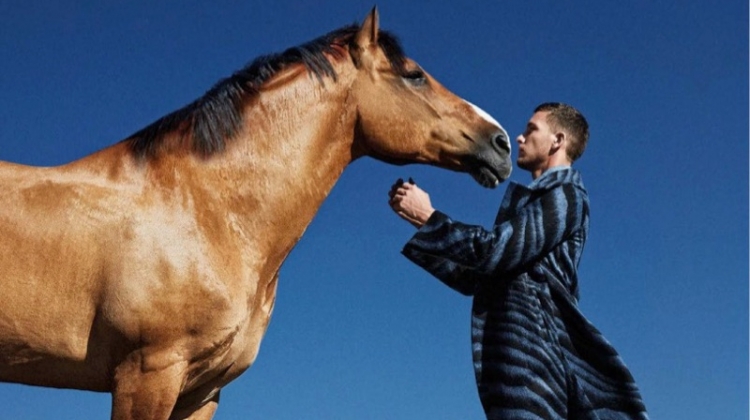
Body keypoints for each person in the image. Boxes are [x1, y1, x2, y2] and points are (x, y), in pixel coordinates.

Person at [388, 103, 648, 419]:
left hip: (534, 356)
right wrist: (422, 225)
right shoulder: (538, 203)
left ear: (557, 141)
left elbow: (492, 252)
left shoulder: (567, 195)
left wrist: (430, 218)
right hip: (517, 356)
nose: (520, 138)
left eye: (531, 129)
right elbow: (476, 278)